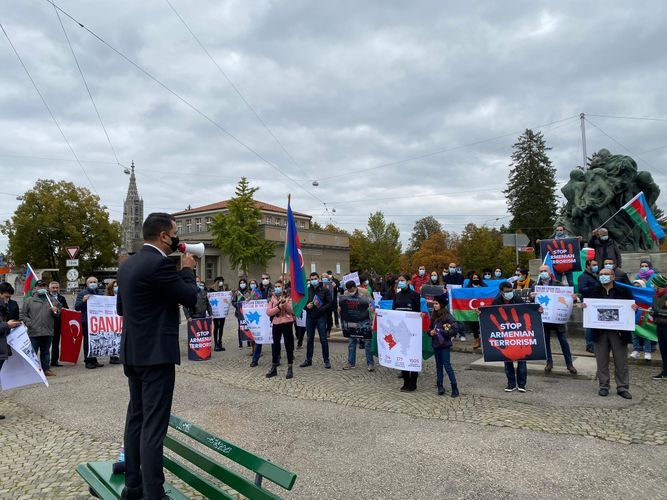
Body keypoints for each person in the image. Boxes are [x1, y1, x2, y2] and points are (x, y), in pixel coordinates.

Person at [116, 212, 198, 500]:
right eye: (175, 233)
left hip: (132, 352)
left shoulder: (128, 264)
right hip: (156, 356)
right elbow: (191, 297)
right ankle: (154, 492)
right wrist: (187, 270)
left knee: (136, 418)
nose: (177, 239)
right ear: (164, 236)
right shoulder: (160, 264)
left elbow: (122, 309)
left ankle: (133, 485)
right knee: (153, 426)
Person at [581, 266, 637, 399]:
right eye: (601, 274)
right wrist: (584, 307)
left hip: (619, 332)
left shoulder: (624, 291)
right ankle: (604, 386)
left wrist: (634, 308)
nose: (602, 276)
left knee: (621, 361)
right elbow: (587, 306)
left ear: (613, 277)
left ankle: (622, 387)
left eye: (605, 274)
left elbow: (630, 310)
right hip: (599, 332)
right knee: (601, 361)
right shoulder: (592, 291)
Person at [531, 265, 578, 375]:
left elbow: (568, 299)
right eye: (541, 271)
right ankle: (549, 363)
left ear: (550, 272)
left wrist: (574, 298)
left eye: (545, 271)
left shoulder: (558, 284)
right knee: (546, 342)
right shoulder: (535, 286)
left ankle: (569, 364)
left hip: (557, 320)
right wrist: (531, 297)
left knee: (563, 342)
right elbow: (532, 303)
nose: (543, 273)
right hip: (544, 319)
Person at [488, 281, 528, 392]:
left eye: (511, 291)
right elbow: (490, 315)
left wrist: (538, 310)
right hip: (505, 335)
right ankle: (511, 384)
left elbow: (527, 312)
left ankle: (521, 384)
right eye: (507, 291)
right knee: (507, 359)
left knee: (522, 359)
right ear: (501, 292)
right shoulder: (496, 302)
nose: (510, 293)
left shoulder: (518, 300)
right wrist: (480, 313)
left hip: (518, 334)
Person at [20, 280, 61, 376]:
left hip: (48, 331)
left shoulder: (53, 300)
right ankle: (32, 370)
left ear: (47, 288)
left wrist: (56, 311)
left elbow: (58, 314)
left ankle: (46, 369)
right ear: (35, 288)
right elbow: (22, 315)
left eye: (44, 286)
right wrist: (29, 323)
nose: (42, 288)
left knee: (46, 352)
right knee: (32, 352)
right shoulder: (29, 300)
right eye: (40, 286)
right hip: (33, 331)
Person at [392, 274, 421, 392]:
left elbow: (418, 313)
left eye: (402, 280)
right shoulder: (397, 296)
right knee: (402, 356)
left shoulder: (415, 295)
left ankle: (413, 383)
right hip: (400, 332)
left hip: (412, 331)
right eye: (399, 281)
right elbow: (393, 312)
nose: (400, 282)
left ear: (408, 282)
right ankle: (406, 382)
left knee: (412, 356)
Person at [300, 272, 333, 369]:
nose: (313, 280)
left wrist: (321, 308)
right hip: (310, 317)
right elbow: (302, 303)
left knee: (323, 339)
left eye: (315, 279)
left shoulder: (325, 290)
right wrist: (307, 306)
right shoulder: (307, 290)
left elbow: (330, 303)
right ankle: (308, 359)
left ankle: (326, 360)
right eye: (312, 279)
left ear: (319, 279)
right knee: (309, 339)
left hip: (321, 317)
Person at [429, 294, 459, 397]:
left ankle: (454, 387)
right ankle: (440, 386)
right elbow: (429, 328)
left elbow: (455, 329)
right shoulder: (433, 315)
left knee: (447, 366)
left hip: (444, 345)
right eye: (434, 304)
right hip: (436, 344)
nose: (434, 305)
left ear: (441, 304)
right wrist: (431, 332)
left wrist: (442, 332)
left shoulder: (447, 316)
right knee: (438, 366)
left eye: (436, 304)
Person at [341, 280, 375, 372]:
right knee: (351, 342)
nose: (350, 292)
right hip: (352, 321)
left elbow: (372, 305)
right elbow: (344, 306)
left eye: (351, 290)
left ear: (355, 287)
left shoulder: (365, 292)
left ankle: (370, 363)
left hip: (365, 320)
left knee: (367, 343)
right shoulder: (346, 293)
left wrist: (373, 320)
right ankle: (350, 362)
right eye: (348, 290)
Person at [265, 279, 295, 379]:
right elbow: (269, 312)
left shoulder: (288, 297)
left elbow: (292, 310)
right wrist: (278, 307)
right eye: (276, 286)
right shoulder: (272, 298)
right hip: (276, 323)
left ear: (283, 287)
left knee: (288, 345)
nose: (277, 288)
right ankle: (274, 367)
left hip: (287, 323)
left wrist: (285, 303)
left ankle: (290, 367)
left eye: (279, 286)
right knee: (275, 345)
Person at [1, 282, 22, 419]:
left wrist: (13, 324)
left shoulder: (4, 307)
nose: (7, 300)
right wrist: (6, 325)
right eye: (5, 297)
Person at [75, 276, 104, 369]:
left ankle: (94, 360)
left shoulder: (100, 293)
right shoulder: (82, 293)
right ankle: (88, 361)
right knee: (88, 341)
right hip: (87, 321)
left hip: (97, 321)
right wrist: (83, 300)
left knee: (96, 340)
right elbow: (77, 307)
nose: (93, 283)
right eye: (90, 282)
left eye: (94, 282)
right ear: (87, 284)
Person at [250, 274, 273, 367]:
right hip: (260, 317)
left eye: (266, 278)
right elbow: (253, 300)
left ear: (269, 279)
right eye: (263, 278)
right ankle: (255, 360)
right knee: (259, 339)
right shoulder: (257, 290)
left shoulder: (273, 289)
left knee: (273, 338)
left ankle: (276, 359)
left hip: (271, 315)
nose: (265, 280)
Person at [578, 260, 600, 353]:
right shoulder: (583, 277)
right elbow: (582, 289)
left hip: (596, 302)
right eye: (594, 265)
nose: (596, 266)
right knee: (589, 325)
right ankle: (590, 345)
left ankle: (596, 343)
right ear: (588, 266)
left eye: (597, 264)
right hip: (588, 303)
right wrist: (595, 287)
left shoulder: (596, 275)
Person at [629, 279, 653, 361]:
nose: (636, 287)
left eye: (638, 286)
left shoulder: (647, 295)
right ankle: (636, 350)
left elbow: (651, 304)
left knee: (646, 335)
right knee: (634, 335)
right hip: (634, 316)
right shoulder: (631, 295)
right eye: (634, 286)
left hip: (645, 317)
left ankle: (647, 351)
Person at [48, 281, 69, 367]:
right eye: (53, 288)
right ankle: (44, 361)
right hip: (48, 323)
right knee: (46, 344)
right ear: (49, 288)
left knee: (55, 343)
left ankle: (54, 361)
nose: (55, 289)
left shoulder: (62, 298)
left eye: (57, 288)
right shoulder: (46, 297)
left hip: (58, 324)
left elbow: (66, 309)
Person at [650, 274, 667, 380]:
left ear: (659, 284)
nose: (653, 286)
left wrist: (657, 312)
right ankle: (665, 372)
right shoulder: (655, 296)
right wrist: (652, 311)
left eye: (654, 284)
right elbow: (654, 309)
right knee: (663, 349)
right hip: (659, 325)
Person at [105, 280, 122, 365]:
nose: (116, 288)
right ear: (110, 288)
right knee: (113, 338)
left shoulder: (122, 296)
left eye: (117, 286)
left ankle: (120, 355)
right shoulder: (106, 298)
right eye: (114, 286)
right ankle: (113, 357)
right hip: (111, 321)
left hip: (120, 320)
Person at [231, 278, 251, 349]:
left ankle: (249, 342)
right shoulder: (237, 293)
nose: (242, 284)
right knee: (240, 327)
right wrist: (238, 305)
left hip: (247, 313)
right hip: (239, 313)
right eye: (241, 283)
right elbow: (233, 301)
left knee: (248, 327)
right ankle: (240, 344)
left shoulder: (248, 292)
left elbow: (251, 301)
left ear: (246, 284)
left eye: (243, 283)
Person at [211, 276, 227, 351]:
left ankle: (220, 342)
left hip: (222, 312)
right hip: (216, 312)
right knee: (216, 327)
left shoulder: (223, 289)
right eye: (220, 281)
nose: (221, 282)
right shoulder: (211, 290)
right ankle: (215, 344)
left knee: (221, 327)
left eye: (222, 281)